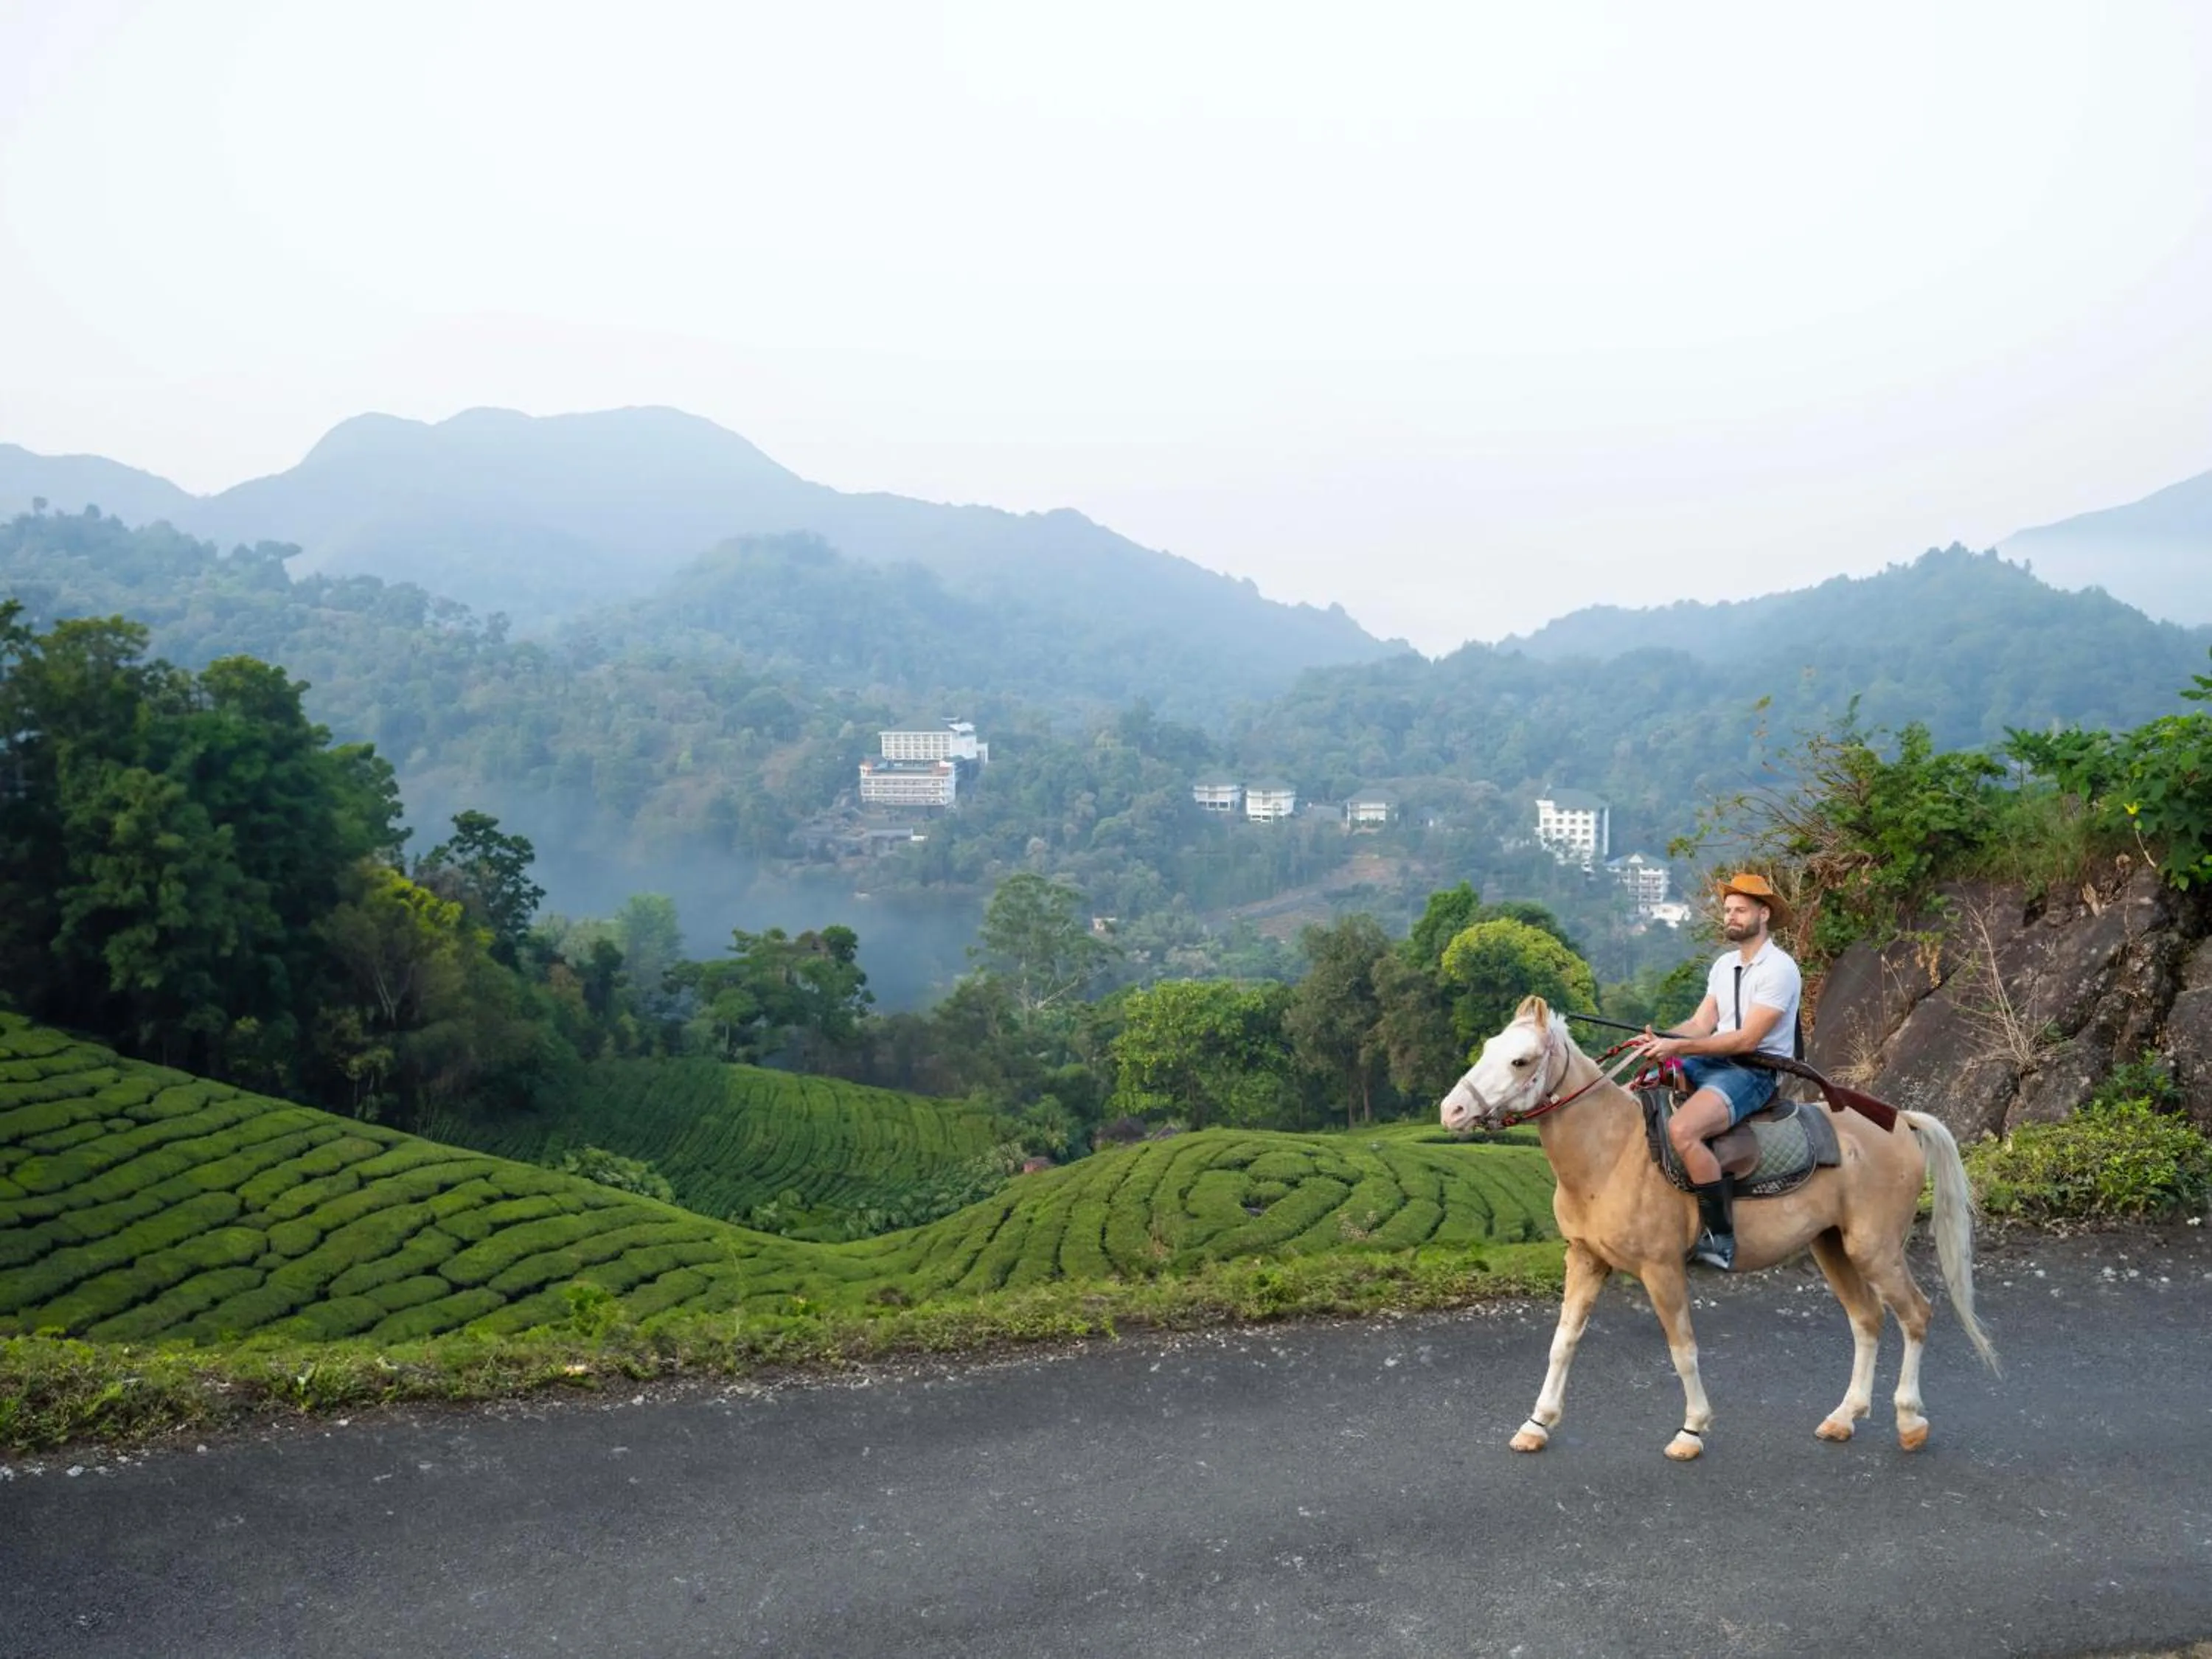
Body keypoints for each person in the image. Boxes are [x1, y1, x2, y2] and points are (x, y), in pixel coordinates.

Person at [1630, 872, 1803, 1271]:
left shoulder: (1779, 969)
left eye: (1741, 910)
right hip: (1712, 1058)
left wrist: (1680, 1047)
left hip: (1753, 1070)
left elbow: (1746, 1041)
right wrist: (1662, 1041)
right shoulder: (1724, 965)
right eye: (1727, 910)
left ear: (1764, 914)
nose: (1731, 917)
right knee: (1637, 1090)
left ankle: (1720, 1238)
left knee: (1683, 1130)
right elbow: (1700, 1024)